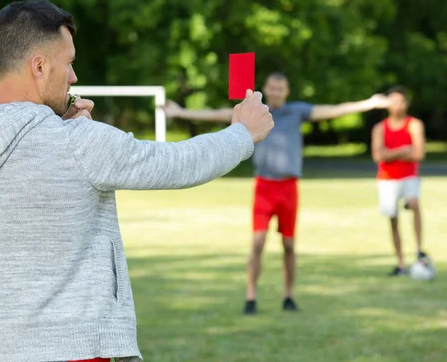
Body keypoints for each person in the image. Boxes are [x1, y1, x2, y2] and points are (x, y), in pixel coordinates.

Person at [0, 0, 273, 362]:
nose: (73, 77)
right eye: (69, 63)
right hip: (74, 350)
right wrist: (242, 133)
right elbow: (176, 163)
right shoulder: (78, 143)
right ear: (39, 66)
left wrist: (63, 126)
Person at [162, 72, 390, 315]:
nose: (276, 91)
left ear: (287, 91)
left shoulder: (297, 112)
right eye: (272, 87)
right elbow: (219, 114)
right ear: (266, 89)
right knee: (257, 243)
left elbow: (333, 110)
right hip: (264, 186)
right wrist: (180, 112)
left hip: (288, 187)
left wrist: (370, 103)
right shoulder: (256, 113)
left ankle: (288, 296)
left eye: (281, 88)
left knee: (289, 245)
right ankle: (251, 297)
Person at [371, 85, 428, 276]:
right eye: (393, 101)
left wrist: (390, 154)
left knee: (414, 203)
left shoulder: (414, 124)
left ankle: (419, 250)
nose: (397, 105)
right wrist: (403, 150)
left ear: (406, 103)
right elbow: (378, 156)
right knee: (393, 218)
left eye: (400, 101)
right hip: (387, 179)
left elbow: (418, 153)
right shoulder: (380, 128)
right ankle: (400, 263)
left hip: (409, 176)